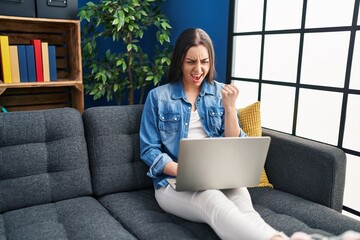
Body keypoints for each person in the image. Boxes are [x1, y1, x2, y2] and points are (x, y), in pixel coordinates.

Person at [139, 28, 360, 240]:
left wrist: (229, 108)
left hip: (221, 176)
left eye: (204, 62)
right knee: (212, 199)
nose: (198, 69)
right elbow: (149, 151)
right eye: (191, 62)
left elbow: (235, 143)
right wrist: (187, 171)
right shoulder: (159, 97)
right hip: (172, 183)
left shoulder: (220, 92)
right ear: (180, 60)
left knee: (246, 210)